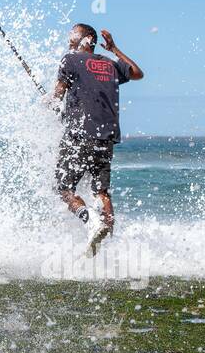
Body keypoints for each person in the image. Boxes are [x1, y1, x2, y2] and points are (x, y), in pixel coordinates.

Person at [52, 23, 144, 255]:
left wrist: (49, 103)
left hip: (79, 135)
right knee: (101, 192)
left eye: (73, 33)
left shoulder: (70, 60)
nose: (69, 37)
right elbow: (137, 73)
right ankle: (108, 246)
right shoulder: (109, 63)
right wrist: (114, 49)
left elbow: (56, 97)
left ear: (87, 39)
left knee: (64, 189)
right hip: (105, 138)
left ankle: (91, 221)